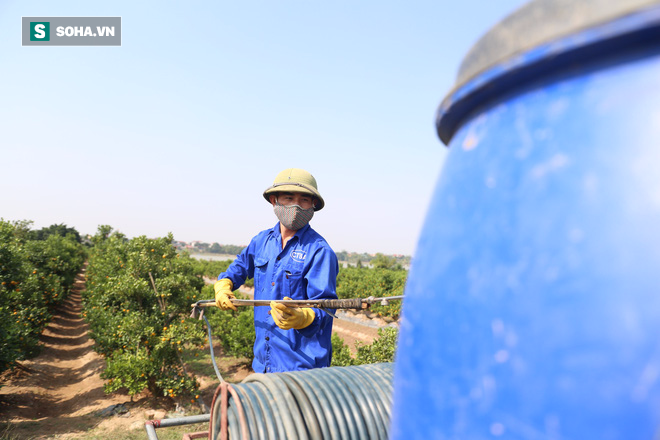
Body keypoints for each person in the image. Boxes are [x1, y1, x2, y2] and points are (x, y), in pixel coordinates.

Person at [214, 168, 339, 373]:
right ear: (274, 200)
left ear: (313, 206)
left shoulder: (319, 251)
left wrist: (303, 317)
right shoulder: (261, 241)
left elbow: (326, 307)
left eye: (304, 200)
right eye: (289, 198)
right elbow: (238, 268)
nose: (297, 206)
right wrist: (223, 284)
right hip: (263, 362)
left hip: (301, 367)